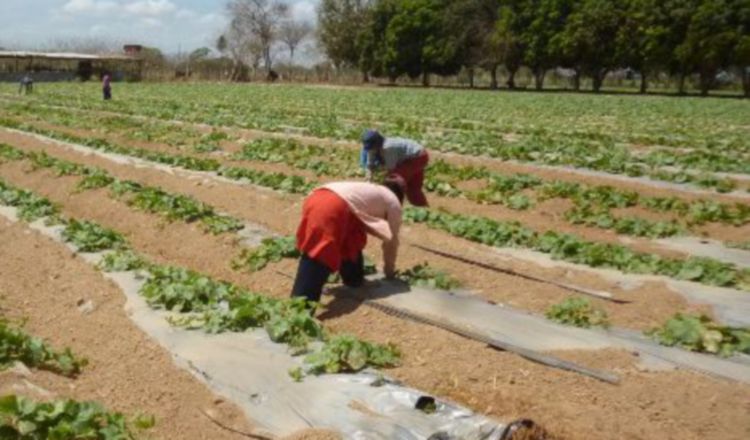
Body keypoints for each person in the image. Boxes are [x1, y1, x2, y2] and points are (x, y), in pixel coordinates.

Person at [290, 178, 405, 304]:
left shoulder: (375, 191)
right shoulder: (393, 202)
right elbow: (392, 242)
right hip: (332, 205)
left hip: (318, 196)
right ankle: (300, 305)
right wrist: (389, 271)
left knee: (352, 238)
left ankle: (354, 280)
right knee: (320, 252)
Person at [360, 129, 430, 207]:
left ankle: (393, 207)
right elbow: (370, 165)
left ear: (377, 144)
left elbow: (390, 168)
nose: (371, 150)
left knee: (394, 181)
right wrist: (368, 180)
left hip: (418, 157)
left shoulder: (388, 148)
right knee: (413, 188)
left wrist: (381, 183)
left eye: (372, 148)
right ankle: (422, 207)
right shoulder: (372, 149)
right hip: (413, 157)